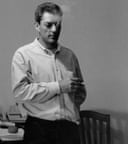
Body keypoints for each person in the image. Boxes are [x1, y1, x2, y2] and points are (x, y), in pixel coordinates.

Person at [11, 2, 86, 144]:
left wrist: (70, 110)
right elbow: (20, 92)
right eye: (48, 24)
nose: (54, 29)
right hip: (39, 131)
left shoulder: (69, 55)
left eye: (58, 25)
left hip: (69, 131)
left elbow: (80, 93)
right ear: (37, 26)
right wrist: (58, 87)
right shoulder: (23, 55)